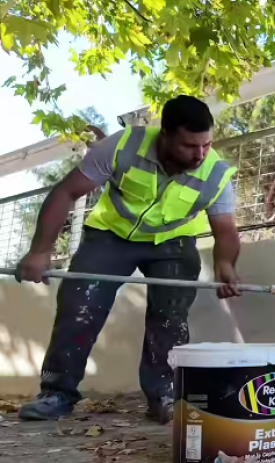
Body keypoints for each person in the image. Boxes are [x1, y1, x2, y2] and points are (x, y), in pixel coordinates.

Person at [14, 95, 242, 424]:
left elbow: (226, 230)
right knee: (79, 308)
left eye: (206, 144)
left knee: (170, 318)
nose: (200, 154)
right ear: (165, 135)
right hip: (111, 236)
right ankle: (56, 393)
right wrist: (39, 251)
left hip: (172, 243)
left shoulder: (215, 173)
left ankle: (165, 396)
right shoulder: (123, 146)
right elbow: (66, 192)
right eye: (190, 146)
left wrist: (226, 266)